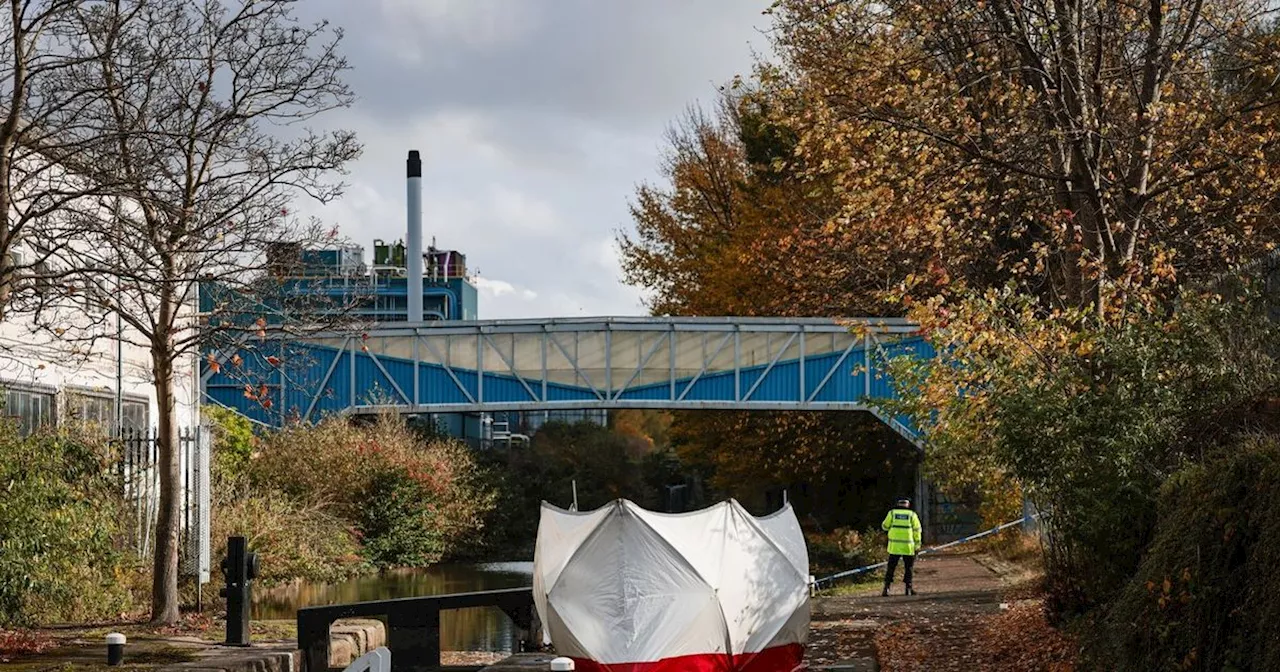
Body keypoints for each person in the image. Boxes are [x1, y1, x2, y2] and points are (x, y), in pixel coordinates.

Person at [881, 497, 922, 596]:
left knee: (891, 567)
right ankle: (908, 588)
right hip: (908, 547)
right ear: (908, 505)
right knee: (909, 568)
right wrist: (917, 545)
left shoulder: (892, 513)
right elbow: (917, 531)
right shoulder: (912, 515)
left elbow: (884, 526)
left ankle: (886, 588)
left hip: (894, 546)